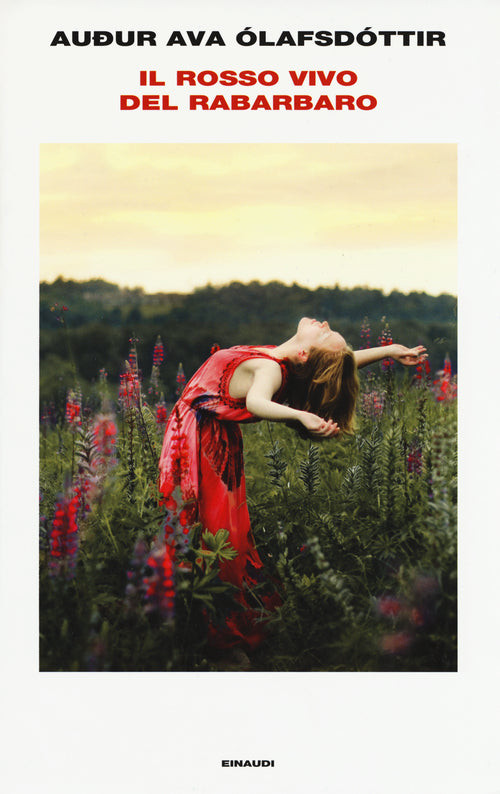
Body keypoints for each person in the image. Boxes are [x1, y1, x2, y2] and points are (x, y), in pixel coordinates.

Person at [158, 318, 426, 656]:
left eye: (325, 333)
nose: (324, 323)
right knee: (210, 528)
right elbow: (333, 363)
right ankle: (194, 614)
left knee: (206, 527)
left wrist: (297, 415)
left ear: (303, 354)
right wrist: (388, 351)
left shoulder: (270, 369)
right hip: (204, 435)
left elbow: (257, 402)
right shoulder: (287, 362)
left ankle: (214, 634)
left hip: (199, 445)